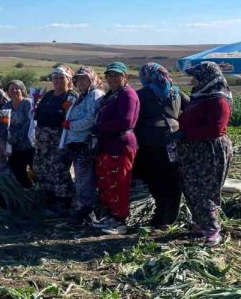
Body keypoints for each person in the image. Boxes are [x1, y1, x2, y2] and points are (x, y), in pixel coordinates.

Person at [170, 62, 232, 247]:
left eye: (196, 76)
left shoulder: (218, 99)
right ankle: (201, 224)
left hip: (209, 151)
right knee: (190, 188)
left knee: (204, 189)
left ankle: (213, 230)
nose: (192, 79)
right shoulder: (201, 96)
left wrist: (186, 134)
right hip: (192, 150)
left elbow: (216, 128)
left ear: (206, 77)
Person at [133, 63, 189, 229]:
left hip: (150, 141)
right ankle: (169, 216)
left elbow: (132, 116)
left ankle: (161, 215)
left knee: (154, 178)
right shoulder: (176, 92)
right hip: (174, 140)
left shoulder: (142, 94)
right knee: (172, 178)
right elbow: (192, 107)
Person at [91, 62, 140, 235]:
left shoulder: (127, 95)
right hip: (107, 143)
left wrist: (101, 127)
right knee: (107, 182)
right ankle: (111, 216)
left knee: (119, 182)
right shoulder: (112, 95)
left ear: (124, 77)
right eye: (109, 76)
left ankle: (120, 221)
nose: (112, 79)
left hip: (121, 143)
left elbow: (126, 121)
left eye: (116, 75)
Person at [62, 67, 105, 224]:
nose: (80, 82)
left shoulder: (95, 95)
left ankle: (88, 211)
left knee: (85, 179)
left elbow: (91, 119)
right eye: (78, 79)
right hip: (76, 143)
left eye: (84, 78)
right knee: (81, 178)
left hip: (86, 143)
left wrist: (70, 125)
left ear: (92, 78)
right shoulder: (81, 97)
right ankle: (85, 209)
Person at [33, 65, 77, 213]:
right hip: (42, 142)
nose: (57, 81)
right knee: (42, 169)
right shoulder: (48, 95)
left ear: (68, 80)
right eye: (55, 78)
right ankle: (49, 200)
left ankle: (64, 203)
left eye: (61, 78)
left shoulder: (71, 96)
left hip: (59, 141)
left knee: (59, 171)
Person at [0, 80, 36, 188]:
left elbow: (30, 122)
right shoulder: (6, 106)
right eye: (11, 89)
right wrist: (6, 138)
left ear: (22, 90)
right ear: (8, 92)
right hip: (13, 147)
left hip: (29, 146)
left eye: (17, 88)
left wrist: (17, 136)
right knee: (19, 174)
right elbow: (2, 124)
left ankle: (42, 195)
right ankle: (26, 195)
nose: (14, 91)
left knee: (37, 172)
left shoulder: (28, 103)